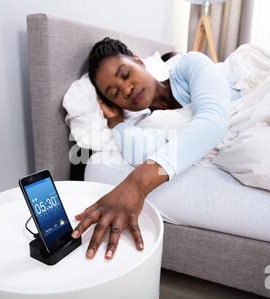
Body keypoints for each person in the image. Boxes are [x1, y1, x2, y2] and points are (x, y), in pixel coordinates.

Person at [71, 37, 237, 260]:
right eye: (114, 93)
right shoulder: (143, 124)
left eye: (125, 74)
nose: (127, 90)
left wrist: (135, 185)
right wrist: (116, 123)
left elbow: (214, 121)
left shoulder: (190, 65)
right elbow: (142, 155)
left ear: (138, 61)